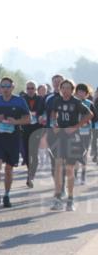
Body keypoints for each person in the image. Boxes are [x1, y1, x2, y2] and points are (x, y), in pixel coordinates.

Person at [46, 79, 91, 211]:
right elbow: (53, 113)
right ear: (60, 89)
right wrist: (54, 123)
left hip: (73, 137)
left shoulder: (76, 102)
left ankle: (70, 199)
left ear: (72, 90)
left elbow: (90, 114)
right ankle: (58, 198)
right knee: (58, 167)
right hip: (60, 136)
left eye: (68, 88)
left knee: (70, 169)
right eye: (63, 88)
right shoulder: (57, 101)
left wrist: (76, 126)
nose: (65, 90)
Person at [0, 77, 31, 208]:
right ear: (0, 87)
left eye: (8, 86)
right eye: (3, 86)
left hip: (13, 138)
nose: (5, 89)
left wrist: (16, 122)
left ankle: (6, 195)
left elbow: (28, 119)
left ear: (12, 87)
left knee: (9, 169)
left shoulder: (19, 101)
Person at [20, 81, 47, 188]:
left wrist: (42, 116)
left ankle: (30, 177)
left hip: (37, 129)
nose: (30, 90)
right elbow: (17, 111)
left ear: (36, 89)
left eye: (32, 88)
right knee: (26, 154)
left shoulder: (41, 99)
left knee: (33, 153)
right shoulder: (22, 99)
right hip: (25, 128)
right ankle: (29, 170)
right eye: (28, 88)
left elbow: (46, 111)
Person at [74, 83, 95, 183]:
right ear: (76, 92)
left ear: (87, 93)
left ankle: (83, 175)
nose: (81, 93)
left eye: (83, 92)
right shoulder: (73, 103)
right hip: (75, 132)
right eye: (79, 91)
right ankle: (74, 175)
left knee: (84, 154)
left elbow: (95, 117)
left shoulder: (90, 103)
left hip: (87, 131)